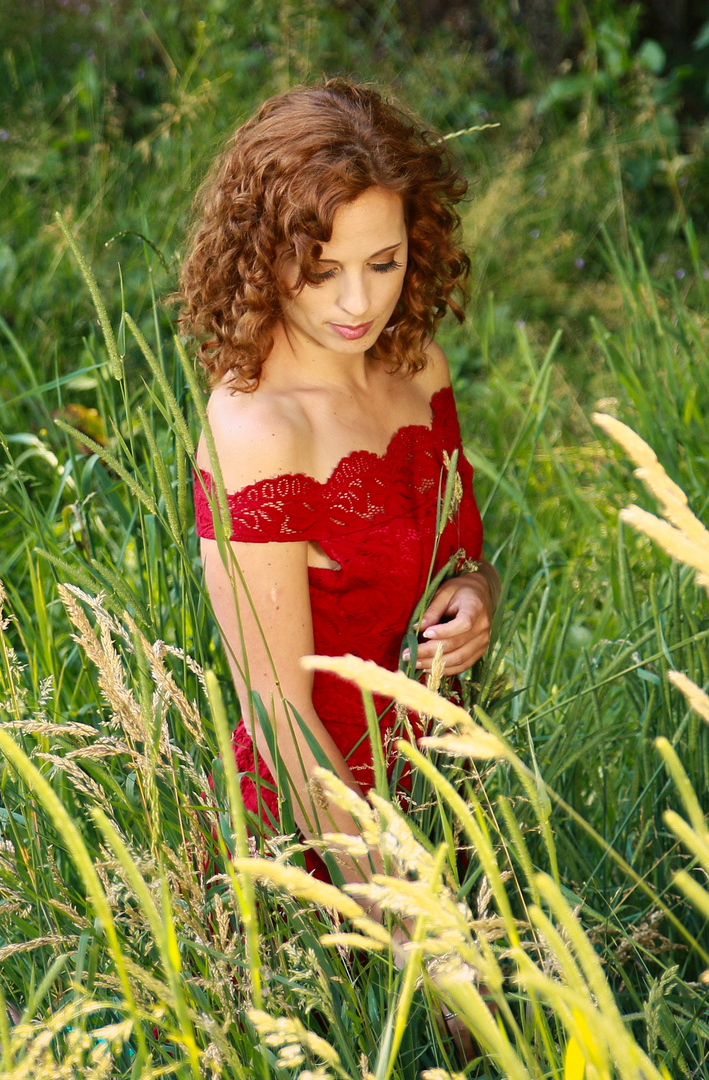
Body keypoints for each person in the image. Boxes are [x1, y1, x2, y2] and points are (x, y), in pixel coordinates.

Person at [180, 79, 499, 938]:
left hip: (445, 797)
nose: (359, 304)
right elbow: (278, 720)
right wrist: (415, 931)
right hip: (321, 848)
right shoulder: (256, 426)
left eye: (383, 264)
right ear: (262, 255)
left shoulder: (417, 365)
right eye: (322, 272)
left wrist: (476, 601)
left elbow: (461, 555)